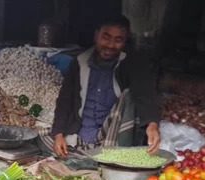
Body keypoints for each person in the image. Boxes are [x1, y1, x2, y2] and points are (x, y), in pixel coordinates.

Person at [39, 15, 161, 168]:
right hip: (79, 135)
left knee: (128, 97)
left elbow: (145, 93)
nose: (110, 45)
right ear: (96, 35)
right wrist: (58, 134)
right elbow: (65, 100)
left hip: (110, 135)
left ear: (125, 41)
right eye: (106, 37)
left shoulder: (130, 63)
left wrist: (152, 124)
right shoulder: (79, 62)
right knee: (41, 135)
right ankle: (87, 158)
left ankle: (93, 159)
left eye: (118, 40)